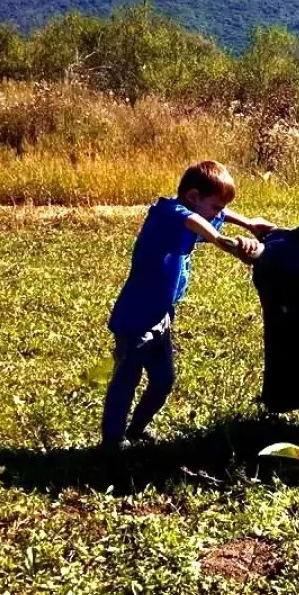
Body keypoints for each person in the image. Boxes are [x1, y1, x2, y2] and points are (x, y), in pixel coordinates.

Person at [101, 160, 274, 451]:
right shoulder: (168, 213)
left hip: (161, 316)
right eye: (215, 208)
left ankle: (136, 429)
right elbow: (196, 222)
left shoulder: (194, 211)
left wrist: (248, 223)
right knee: (125, 381)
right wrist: (221, 240)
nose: (218, 214)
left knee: (163, 381)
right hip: (135, 317)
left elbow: (213, 216)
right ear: (193, 197)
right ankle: (112, 440)